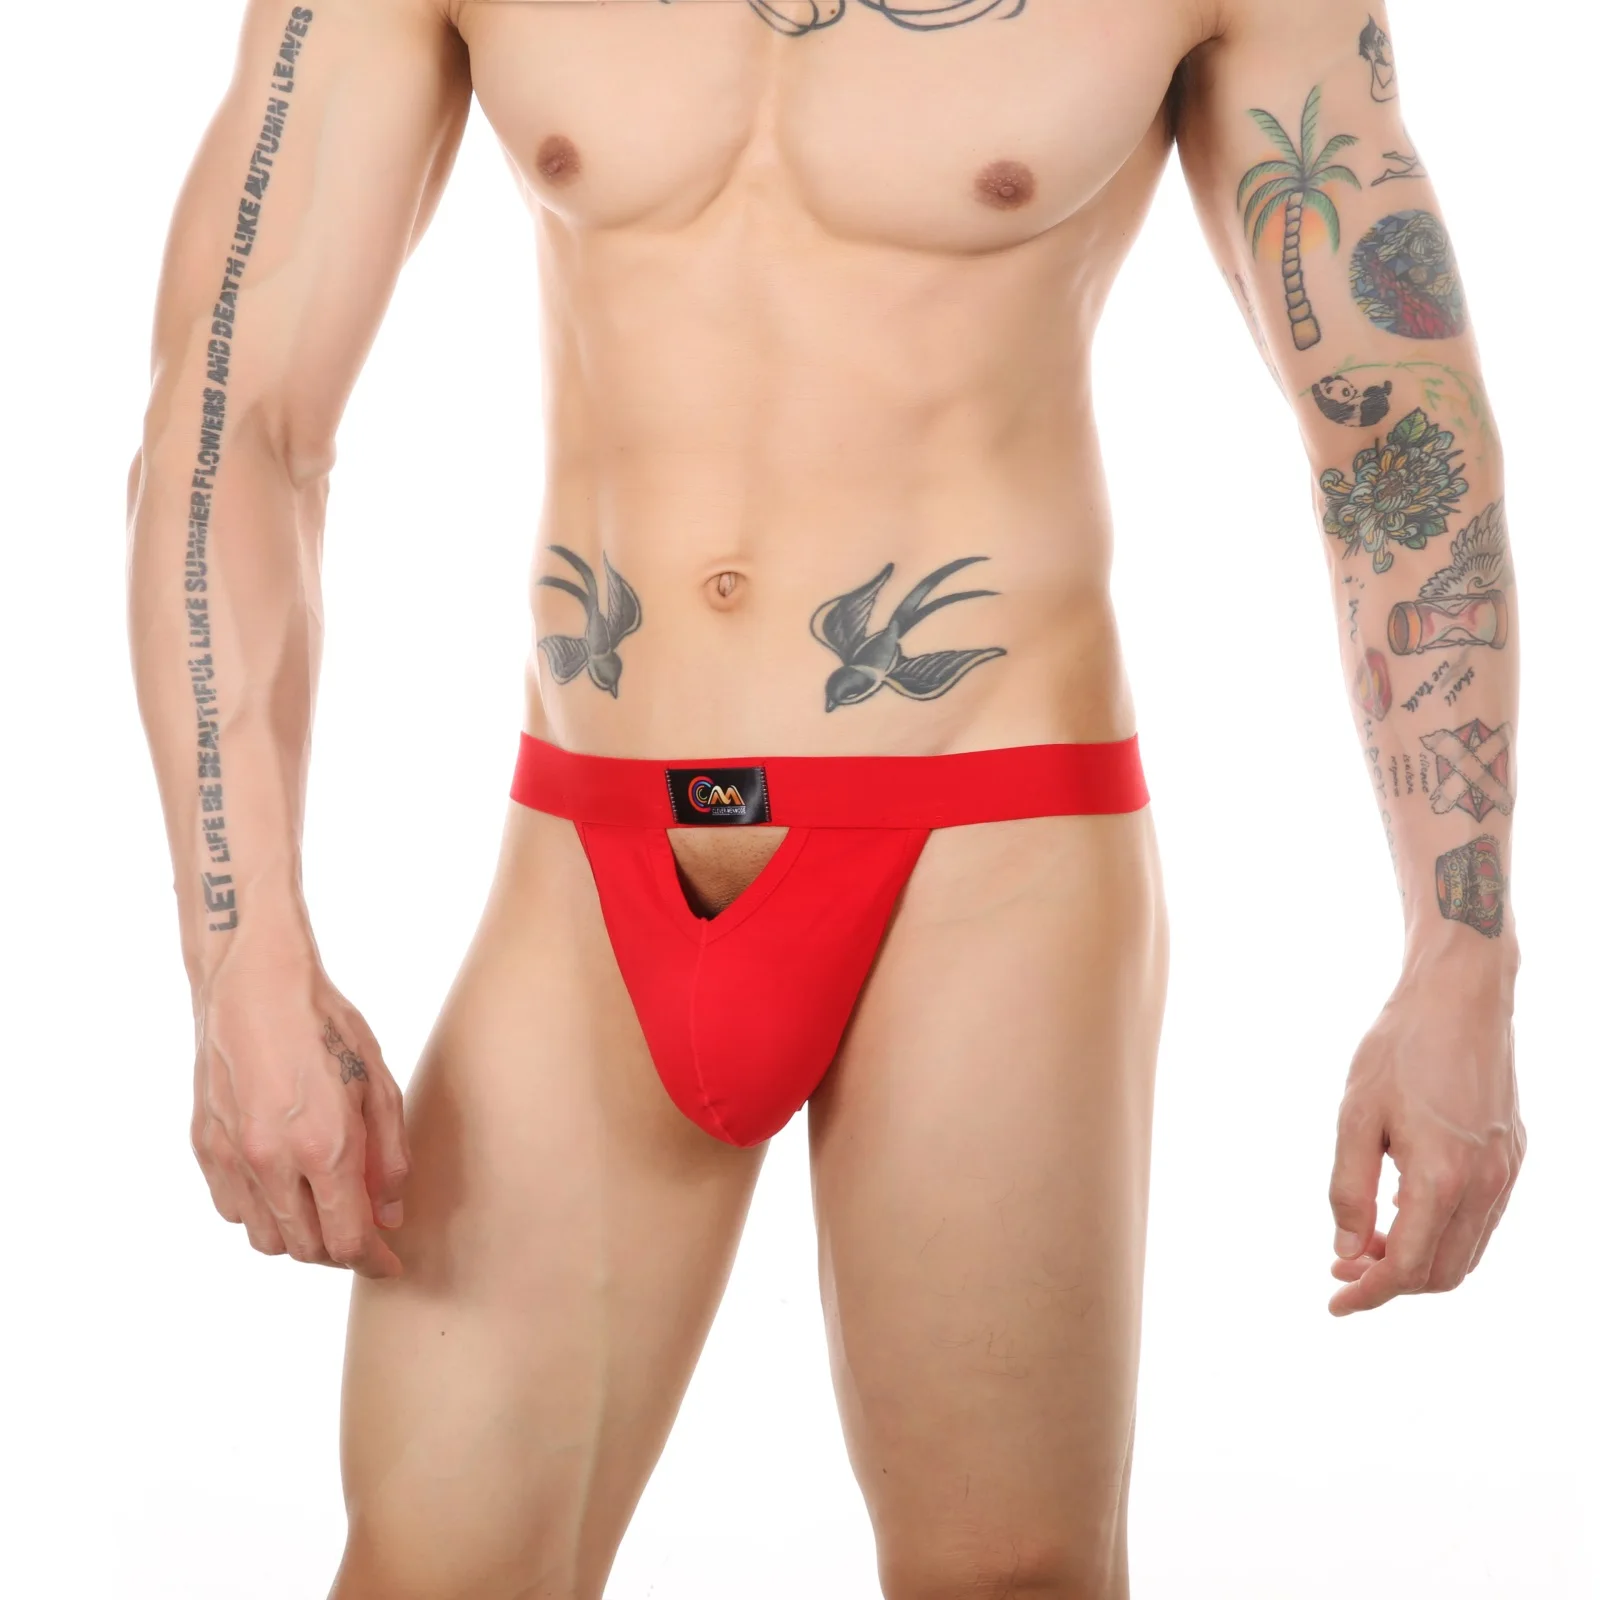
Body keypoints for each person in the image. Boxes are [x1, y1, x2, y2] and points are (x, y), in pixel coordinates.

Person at [125, 2, 1523, 1595]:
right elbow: (231, 424)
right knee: (435, 1568)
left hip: (988, 831)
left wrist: (1459, 961)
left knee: (1007, 1580)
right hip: (591, 840)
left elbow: (1393, 433)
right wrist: (240, 959)